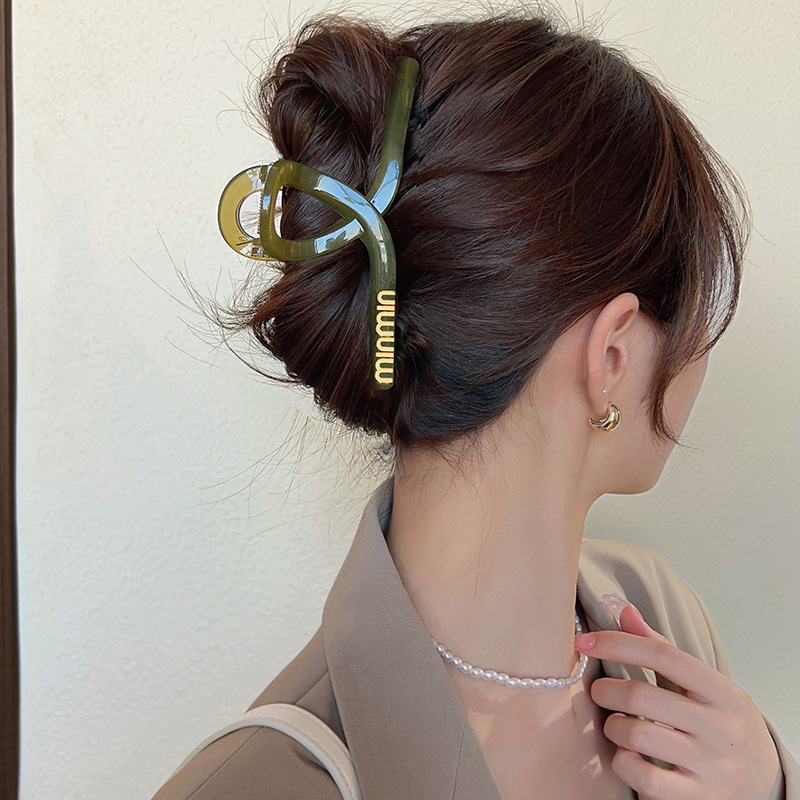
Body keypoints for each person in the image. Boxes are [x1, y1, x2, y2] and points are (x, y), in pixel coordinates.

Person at [151, 7, 799, 800]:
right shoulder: (259, 785)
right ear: (613, 356)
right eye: (696, 313)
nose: (701, 355)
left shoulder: (662, 622)